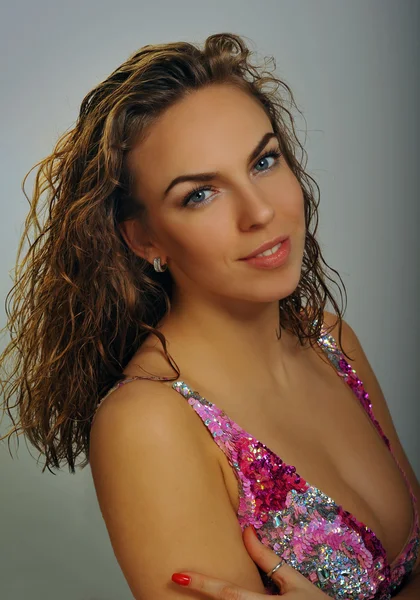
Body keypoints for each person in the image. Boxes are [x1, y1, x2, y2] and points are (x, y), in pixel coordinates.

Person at [1, 32, 419, 600]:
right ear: (144, 238)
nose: (260, 212)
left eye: (264, 161)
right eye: (201, 194)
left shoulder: (330, 340)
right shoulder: (148, 425)